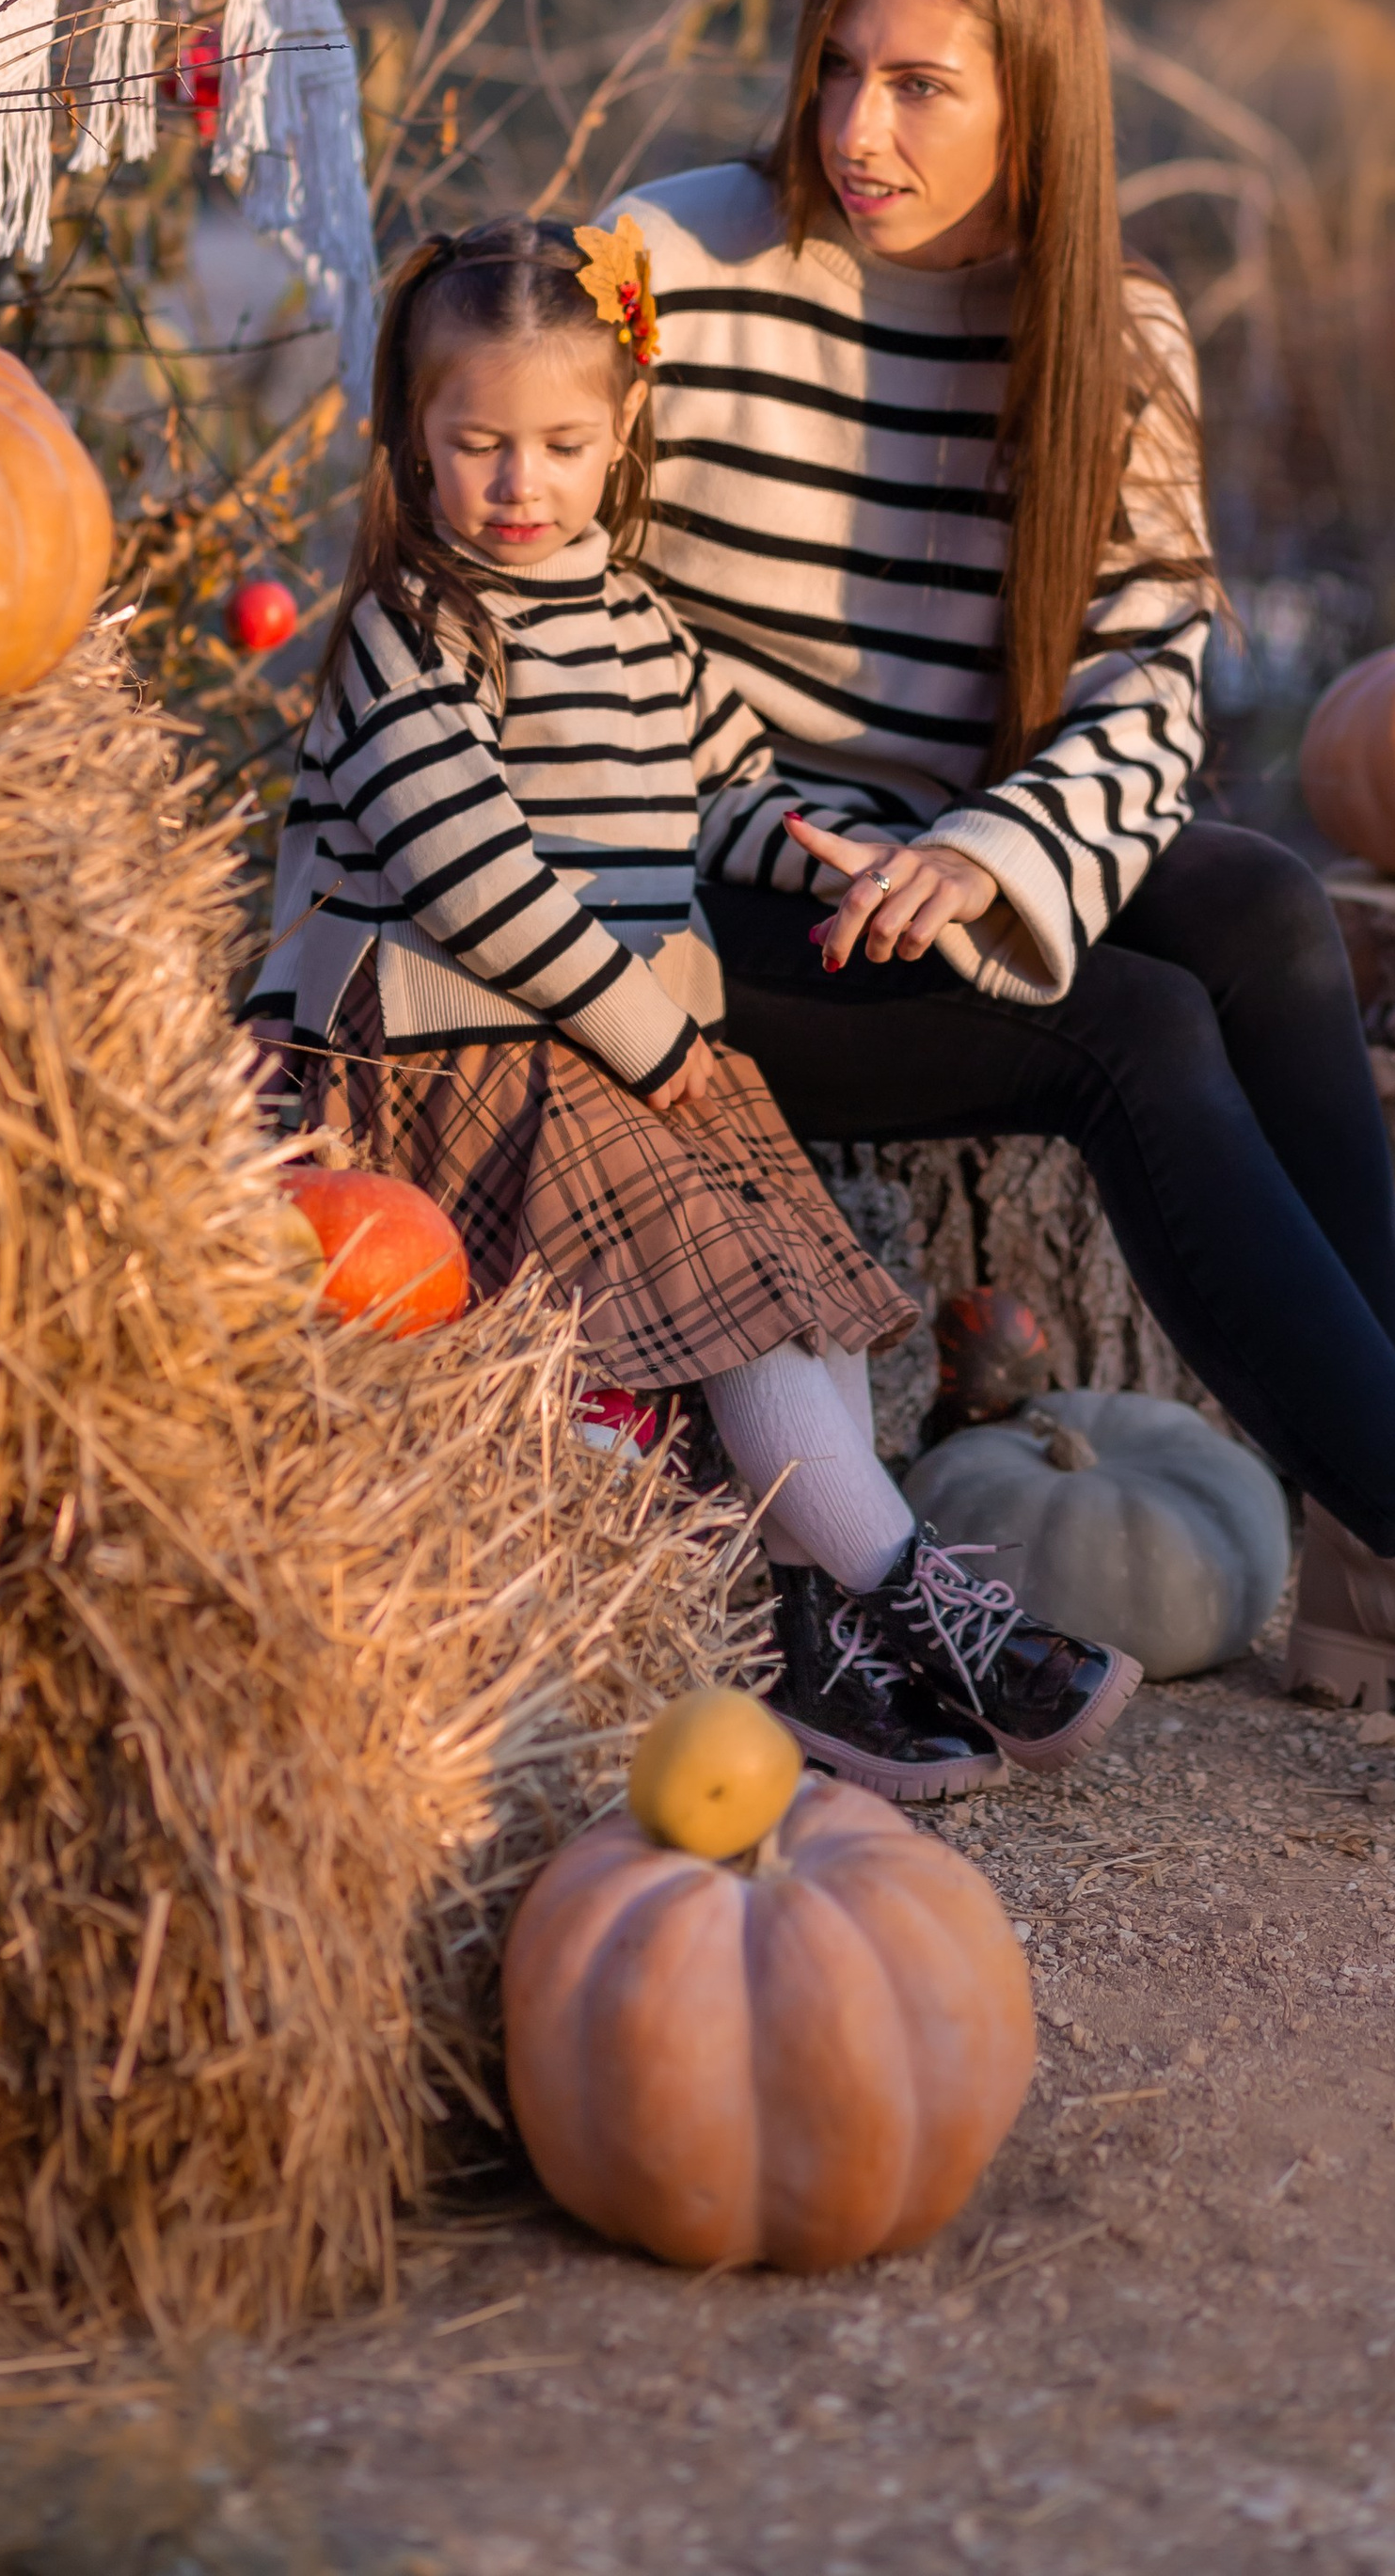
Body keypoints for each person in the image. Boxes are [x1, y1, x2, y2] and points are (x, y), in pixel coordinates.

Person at [601, 0, 1395, 1846]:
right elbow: (563, 618)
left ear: (1034, 107)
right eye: (837, 69)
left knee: (1249, 899)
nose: (854, 130)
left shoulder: (1108, 331)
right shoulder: (671, 264)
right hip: (673, 896)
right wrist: (789, 832)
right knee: (1126, 1033)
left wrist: (991, 861)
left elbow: (1146, 699)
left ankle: (1361, 1541)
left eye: (921, 87)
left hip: (924, 863)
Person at [247, 212, 1141, 1801]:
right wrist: (657, 1043)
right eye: (478, 446)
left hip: (611, 1050)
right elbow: (475, 881)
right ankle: (915, 1602)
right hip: (455, 1060)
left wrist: (831, 859)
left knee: (787, 1287)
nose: (520, 485)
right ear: (414, 441)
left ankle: (821, 1629)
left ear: (622, 432)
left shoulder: (637, 626)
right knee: (739, 1287)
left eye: (561, 445)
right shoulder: (411, 636)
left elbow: (716, 797)